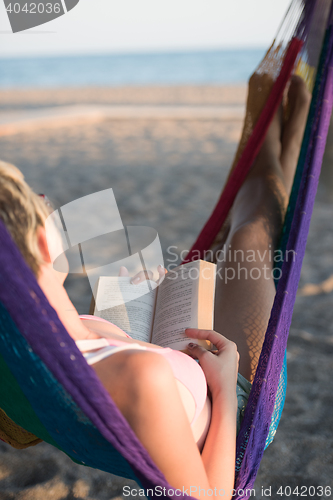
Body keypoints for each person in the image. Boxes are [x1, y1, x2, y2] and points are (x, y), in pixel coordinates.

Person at [0, 74, 310, 498]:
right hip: (234, 400)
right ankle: (282, 151)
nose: (51, 205)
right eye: (40, 203)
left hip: (174, 361)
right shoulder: (138, 377)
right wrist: (222, 382)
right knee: (251, 236)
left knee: (244, 237)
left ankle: (280, 155)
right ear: (40, 242)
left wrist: (128, 307)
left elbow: (107, 370)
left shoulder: (25, 346)